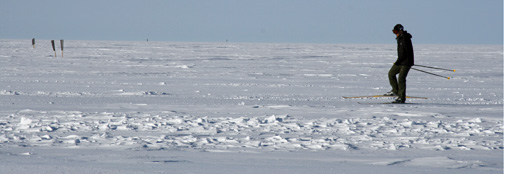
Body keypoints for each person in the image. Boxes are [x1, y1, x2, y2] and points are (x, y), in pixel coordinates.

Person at [385, 24, 414, 103]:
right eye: (394, 32)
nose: (395, 33)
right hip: (401, 61)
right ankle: (395, 91)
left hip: (406, 62)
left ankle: (401, 98)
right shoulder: (400, 38)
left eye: (395, 31)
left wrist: (399, 61)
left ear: (400, 31)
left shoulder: (405, 38)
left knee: (401, 79)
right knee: (391, 73)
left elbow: (405, 53)